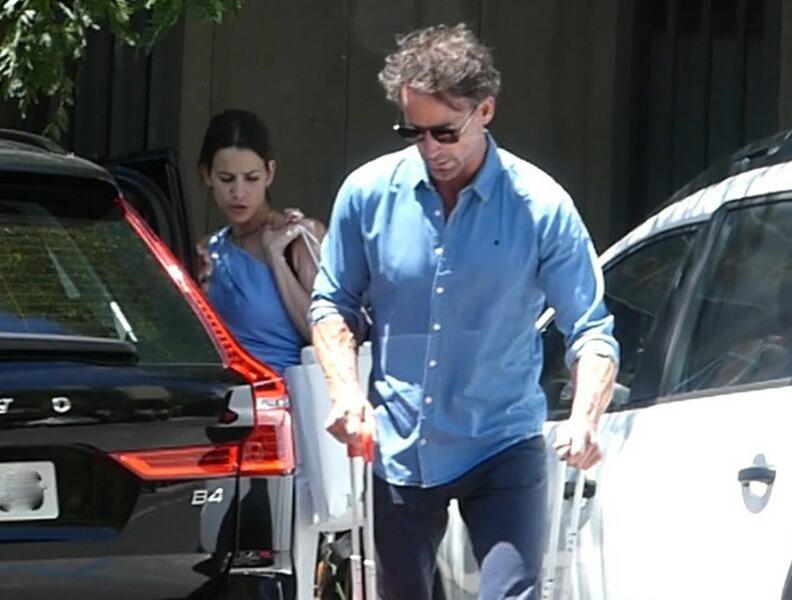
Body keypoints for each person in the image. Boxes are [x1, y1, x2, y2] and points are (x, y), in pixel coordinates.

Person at [309, 24, 620, 599]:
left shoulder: (540, 206)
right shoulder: (367, 194)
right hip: (401, 443)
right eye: (414, 131)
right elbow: (332, 303)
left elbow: (591, 330)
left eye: (446, 132)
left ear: (486, 111)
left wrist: (585, 418)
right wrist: (346, 393)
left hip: (502, 439)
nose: (430, 149)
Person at [197, 109, 326, 373]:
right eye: (226, 179)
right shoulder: (208, 249)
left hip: (283, 391)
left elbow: (327, 335)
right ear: (207, 175)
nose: (239, 192)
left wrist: (277, 258)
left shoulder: (299, 237)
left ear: (270, 173)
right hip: (224, 391)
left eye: (251, 178)